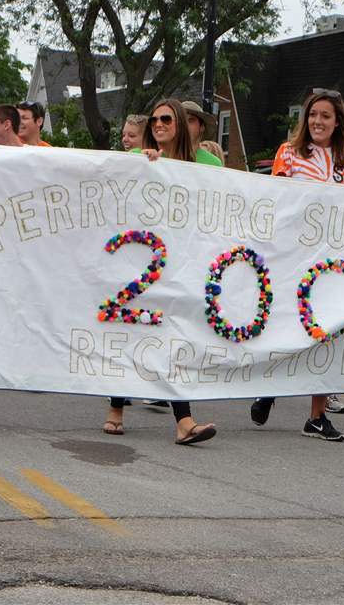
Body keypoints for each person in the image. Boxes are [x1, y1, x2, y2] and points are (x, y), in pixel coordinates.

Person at [102, 97, 219, 445]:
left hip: (181, 265)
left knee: (175, 338)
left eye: (166, 119)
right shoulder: (141, 159)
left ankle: (184, 422)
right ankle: (116, 409)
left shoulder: (203, 165)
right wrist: (146, 164)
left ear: (180, 123)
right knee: (130, 332)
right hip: (141, 261)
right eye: (154, 120)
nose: (158, 125)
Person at [254, 90, 344, 438]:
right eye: (313, 114)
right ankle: (269, 387)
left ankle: (316, 416)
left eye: (325, 116)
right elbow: (276, 198)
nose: (318, 121)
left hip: (331, 264)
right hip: (292, 258)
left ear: (338, 122)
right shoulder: (289, 153)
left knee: (326, 332)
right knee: (285, 325)